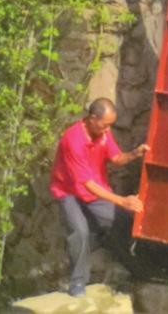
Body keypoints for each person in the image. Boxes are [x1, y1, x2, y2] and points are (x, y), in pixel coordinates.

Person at [49, 98, 149, 297]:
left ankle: (133, 268)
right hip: (69, 192)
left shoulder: (103, 133)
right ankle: (78, 283)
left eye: (110, 125)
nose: (107, 130)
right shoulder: (73, 140)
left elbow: (117, 158)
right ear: (92, 119)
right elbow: (87, 184)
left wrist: (135, 154)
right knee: (80, 232)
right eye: (105, 125)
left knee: (122, 221)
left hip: (94, 191)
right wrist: (122, 201)